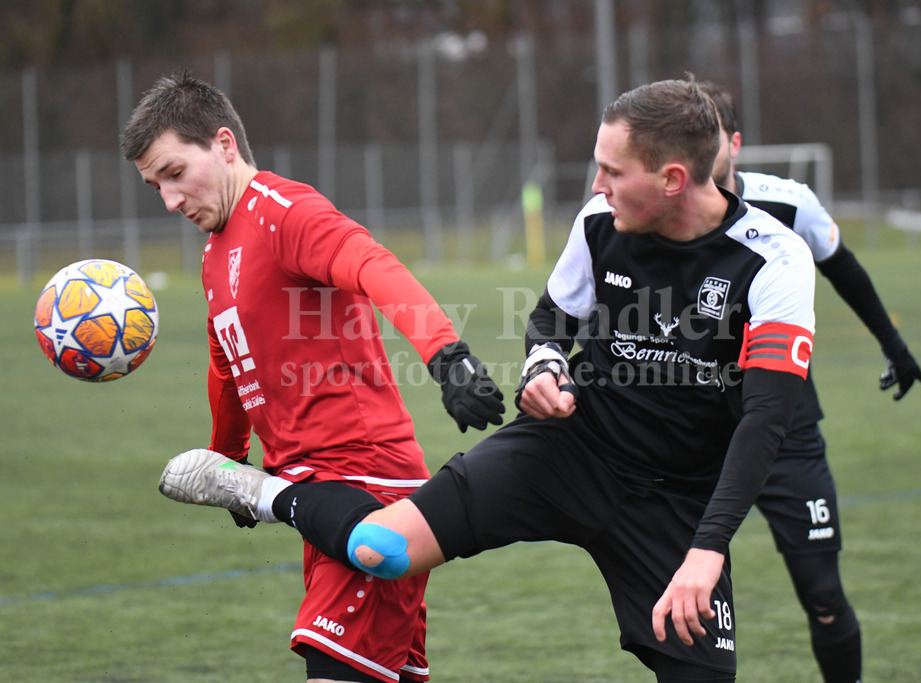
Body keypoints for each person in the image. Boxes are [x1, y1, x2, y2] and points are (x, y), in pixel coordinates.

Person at [158, 76, 816, 682]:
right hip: (567, 449)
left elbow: (766, 419)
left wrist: (707, 550)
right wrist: (545, 368)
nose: (596, 184)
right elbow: (550, 322)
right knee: (382, 546)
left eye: (612, 170)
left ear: (673, 178)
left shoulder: (773, 260)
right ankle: (269, 493)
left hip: (677, 501)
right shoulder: (600, 223)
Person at [121, 71, 505, 683]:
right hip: (318, 487)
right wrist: (228, 463)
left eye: (174, 173)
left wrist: (445, 353)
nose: (170, 200)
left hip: (363, 480)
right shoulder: (214, 253)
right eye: (154, 186)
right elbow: (229, 362)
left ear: (224, 145)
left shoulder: (284, 213)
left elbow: (372, 265)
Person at [702, 82, 921, 683]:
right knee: (682, 595)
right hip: (690, 427)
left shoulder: (788, 204)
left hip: (784, 424)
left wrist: (895, 344)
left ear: (735, 144)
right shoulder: (653, 213)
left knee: (824, 598)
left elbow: (844, 269)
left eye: (711, 137)